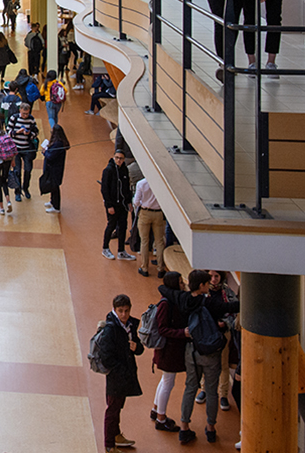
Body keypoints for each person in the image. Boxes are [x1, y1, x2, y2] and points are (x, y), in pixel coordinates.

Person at [177, 269, 239, 444]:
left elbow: (167, 291)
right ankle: (210, 428)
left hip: (191, 350)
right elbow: (230, 307)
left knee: (190, 388)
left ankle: (184, 427)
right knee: (212, 391)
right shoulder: (209, 303)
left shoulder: (185, 300)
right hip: (210, 352)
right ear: (202, 285)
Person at [102, 294, 144, 453]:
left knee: (118, 406)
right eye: (120, 311)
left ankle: (116, 435)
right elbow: (107, 358)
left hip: (125, 374)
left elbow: (139, 347)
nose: (124, 315)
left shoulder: (130, 325)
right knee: (112, 409)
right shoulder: (110, 329)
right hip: (116, 376)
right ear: (114, 310)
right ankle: (109, 445)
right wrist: (121, 371)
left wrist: (136, 348)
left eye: (126, 311)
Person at [151, 272, 187, 433]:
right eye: (180, 282)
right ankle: (161, 418)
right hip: (170, 351)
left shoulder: (166, 301)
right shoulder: (167, 304)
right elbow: (163, 329)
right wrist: (182, 333)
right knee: (168, 383)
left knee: (165, 380)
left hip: (167, 351)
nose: (183, 284)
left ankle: (156, 409)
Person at [101, 150, 136, 261]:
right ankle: (105, 248)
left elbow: (127, 187)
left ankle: (121, 251)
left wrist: (129, 202)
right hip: (112, 204)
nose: (119, 160)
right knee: (111, 226)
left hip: (122, 205)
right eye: (117, 158)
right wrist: (109, 205)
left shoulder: (125, 170)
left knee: (122, 227)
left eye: (121, 158)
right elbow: (104, 189)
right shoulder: (108, 170)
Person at [133, 177, 167, 278]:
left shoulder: (141, 183)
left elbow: (136, 202)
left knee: (144, 241)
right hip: (158, 213)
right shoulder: (161, 183)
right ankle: (161, 268)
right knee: (159, 242)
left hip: (145, 213)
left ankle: (145, 268)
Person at [6, 101, 39, 201]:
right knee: (17, 171)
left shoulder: (31, 119)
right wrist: (17, 132)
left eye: (27, 113)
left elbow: (36, 132)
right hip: (16, 150)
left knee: (28, 170)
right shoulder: (14, 118)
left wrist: (29, 134)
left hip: (27, 149)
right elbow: (8, 132)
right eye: (23, 113)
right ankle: (18, 191)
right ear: (20, 110)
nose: (25, 116)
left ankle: (26, 188)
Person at [41, 124, 69, 213]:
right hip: (54, 169)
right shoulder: (58, 143)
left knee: (55, 187)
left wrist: (45, 152)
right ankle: (52, 202)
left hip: (55, 169)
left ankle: (56, 207)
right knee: (53, 186)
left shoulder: (58, 144)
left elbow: (51, 156)